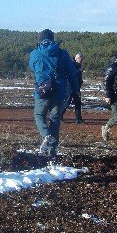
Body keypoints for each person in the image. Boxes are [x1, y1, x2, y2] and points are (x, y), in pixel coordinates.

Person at [29, 29, 79, 157]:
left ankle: (46, 134)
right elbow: (72, 73)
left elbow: (32, 67)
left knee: (39, 114)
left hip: (42, 91)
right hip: (59, 92)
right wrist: (75, 90)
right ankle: (52, 151)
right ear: (53, 39)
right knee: (55, 119)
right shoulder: (63, 53)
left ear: (40, 40)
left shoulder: (35, 53)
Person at [61, 53, 85, 123]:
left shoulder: (78, 65)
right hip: (70, 86)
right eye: (81, 59)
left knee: (78, 102)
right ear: (77, 58)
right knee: (67, 102)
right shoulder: (71, 64)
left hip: (76, 87)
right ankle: (59, 116)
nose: (82, 61)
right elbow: (70, 75)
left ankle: (78, 119)